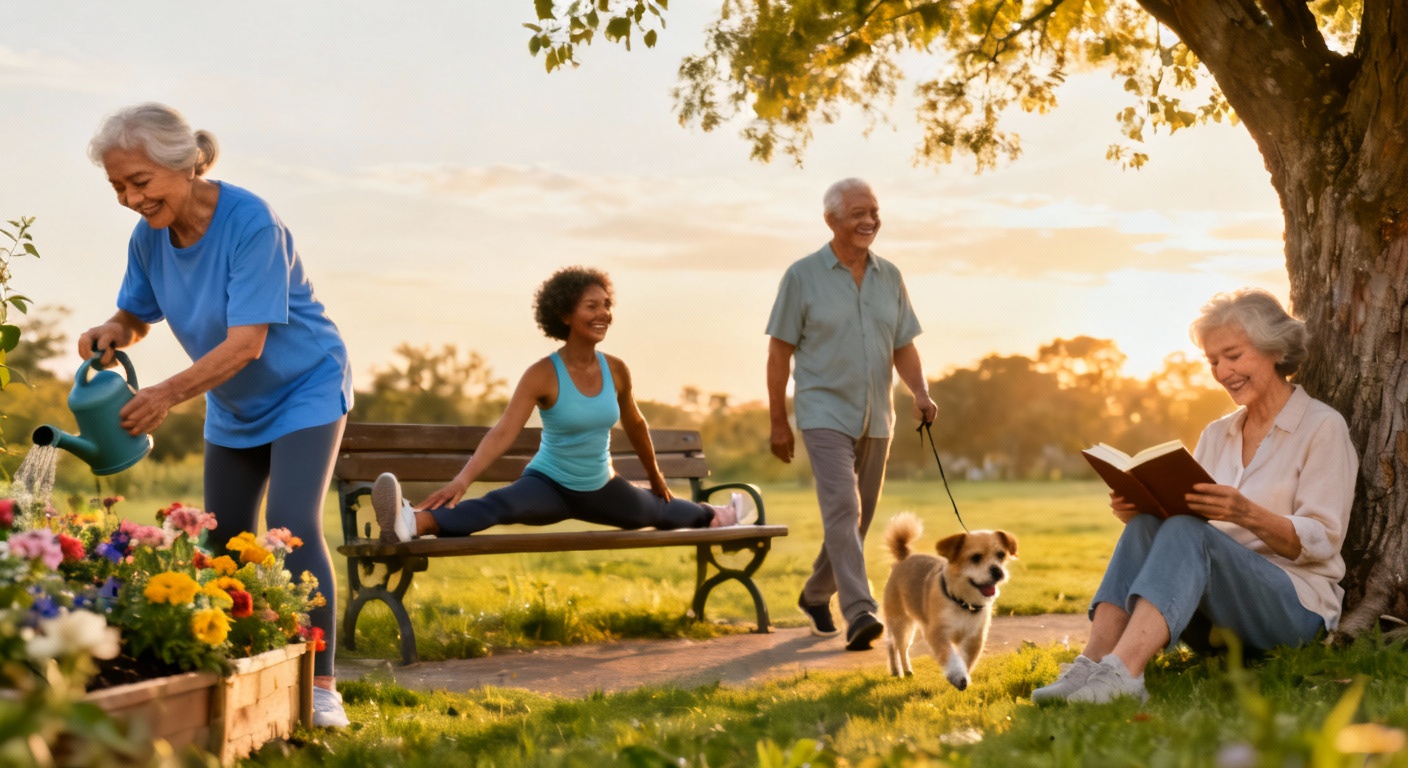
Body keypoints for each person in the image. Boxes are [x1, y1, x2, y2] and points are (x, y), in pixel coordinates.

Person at [79, 103, 354, 727]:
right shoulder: (149, 237)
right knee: (224, 537)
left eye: (140, 182)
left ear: (181, 167)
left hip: (304, 385)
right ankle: (246, 667)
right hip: (233, 400)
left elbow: (247, 342)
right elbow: (137, 315)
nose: (129, 198)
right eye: (118, 186)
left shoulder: (250, 221)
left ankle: (322, 684)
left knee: (288, 524)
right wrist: (112, 330)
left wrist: (165, 396)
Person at [1032, 288, 1358, 704]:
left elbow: (1323, 538)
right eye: (1213, 361)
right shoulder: (1216, 434)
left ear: (1274, 349)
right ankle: (1091, 666)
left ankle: (1124, 675)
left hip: (1293, 611)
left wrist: (1246, 514)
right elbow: (1186, 524)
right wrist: (1141, 509)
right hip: (1211, 615)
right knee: (1151, 525)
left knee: (1188, 531)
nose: (1222, 372)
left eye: (1233, 356)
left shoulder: (1322, 428)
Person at [371, 266, 751, 542]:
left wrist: (655, 477)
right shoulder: (542, 374)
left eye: (606, 304)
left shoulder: (616, 370)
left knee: (657, 510)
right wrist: (461, 479)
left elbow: (635, 424)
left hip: (602, 486)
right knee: (499, 505)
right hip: (549, 483)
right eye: (591, 306)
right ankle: (413, 523)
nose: (603, 313)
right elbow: (504, 431)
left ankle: (724, 514)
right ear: (565, 315)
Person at [765, 178, 938, 652]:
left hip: (877, 416)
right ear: (832, 220)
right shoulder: (802, 277)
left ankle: (815, 592)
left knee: (856, 522)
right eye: (858, 213)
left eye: (874, 212)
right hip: (822, 411)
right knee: (843, 508)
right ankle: (860, 611)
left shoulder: (890, 277)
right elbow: (779, 352)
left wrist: (920, 392)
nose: (869, 221)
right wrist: (779, 421)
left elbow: (904, 345)